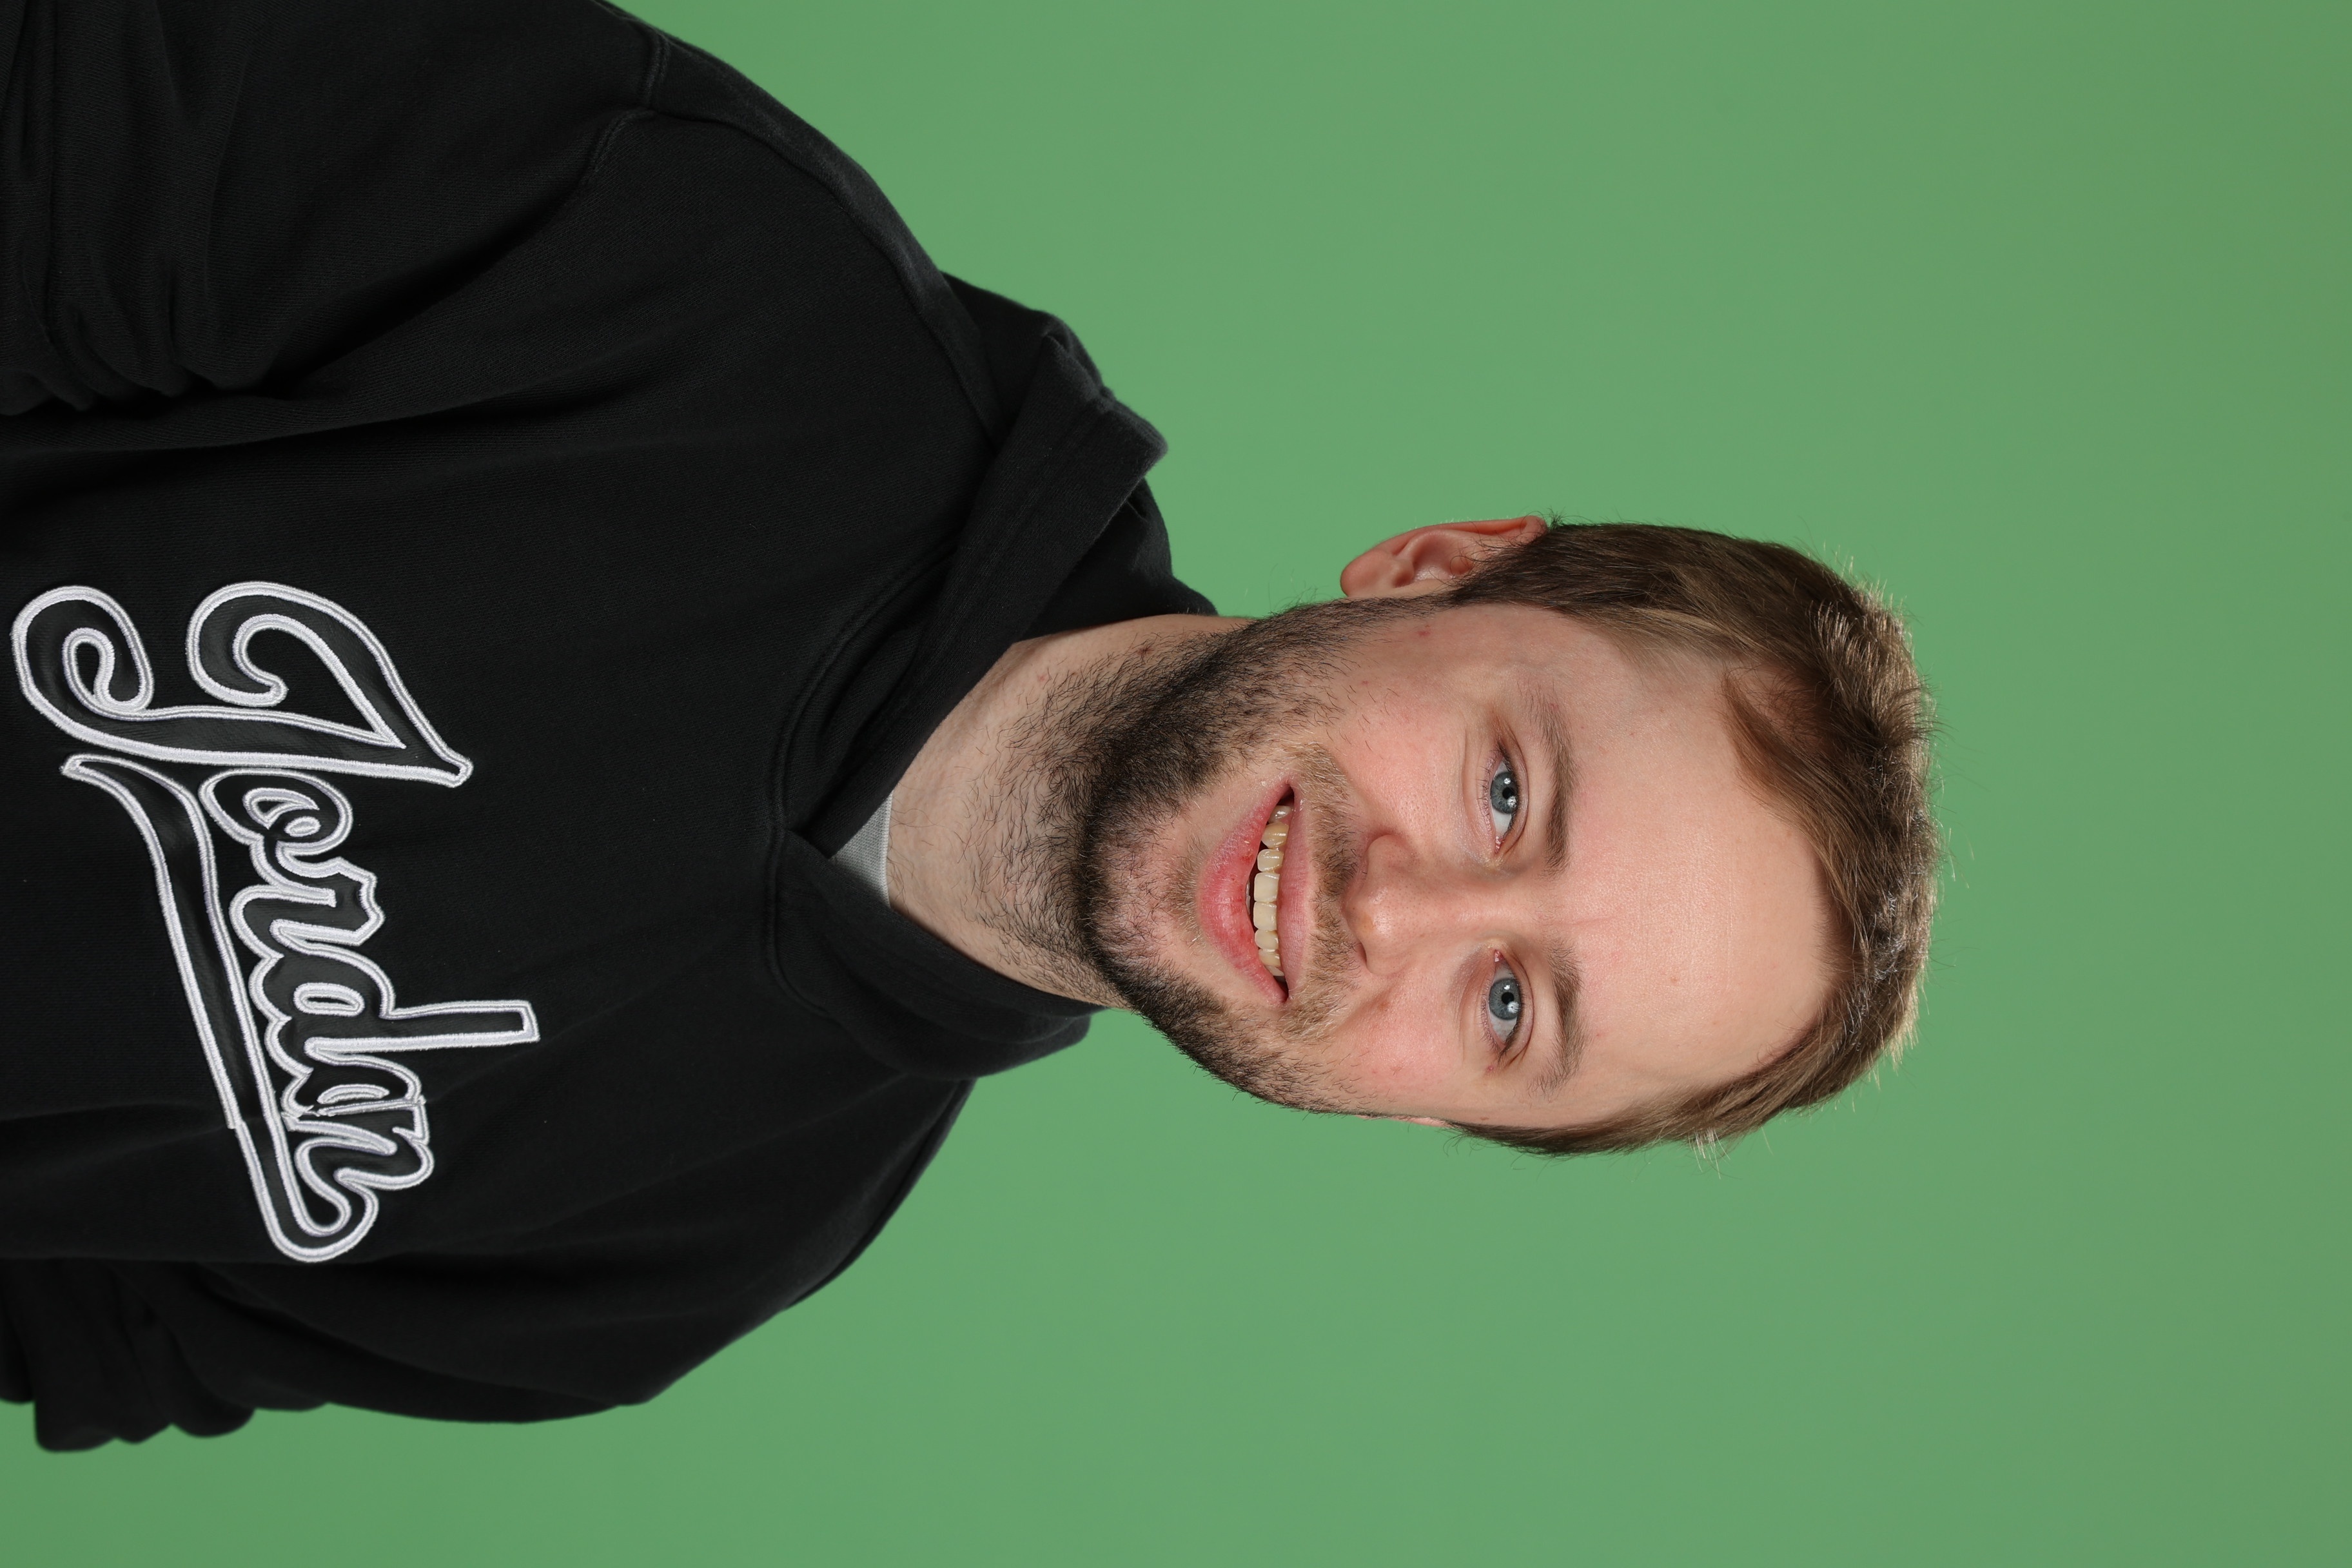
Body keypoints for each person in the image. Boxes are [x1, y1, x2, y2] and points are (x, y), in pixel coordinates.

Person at [0, 0, 1939, 1450]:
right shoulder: (693, 262)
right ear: (1437, 570)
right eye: (1508, 789)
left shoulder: (681, 1260)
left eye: (1510, 1009)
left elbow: (69, 1333)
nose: (1395, 909)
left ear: (1433, 1115)